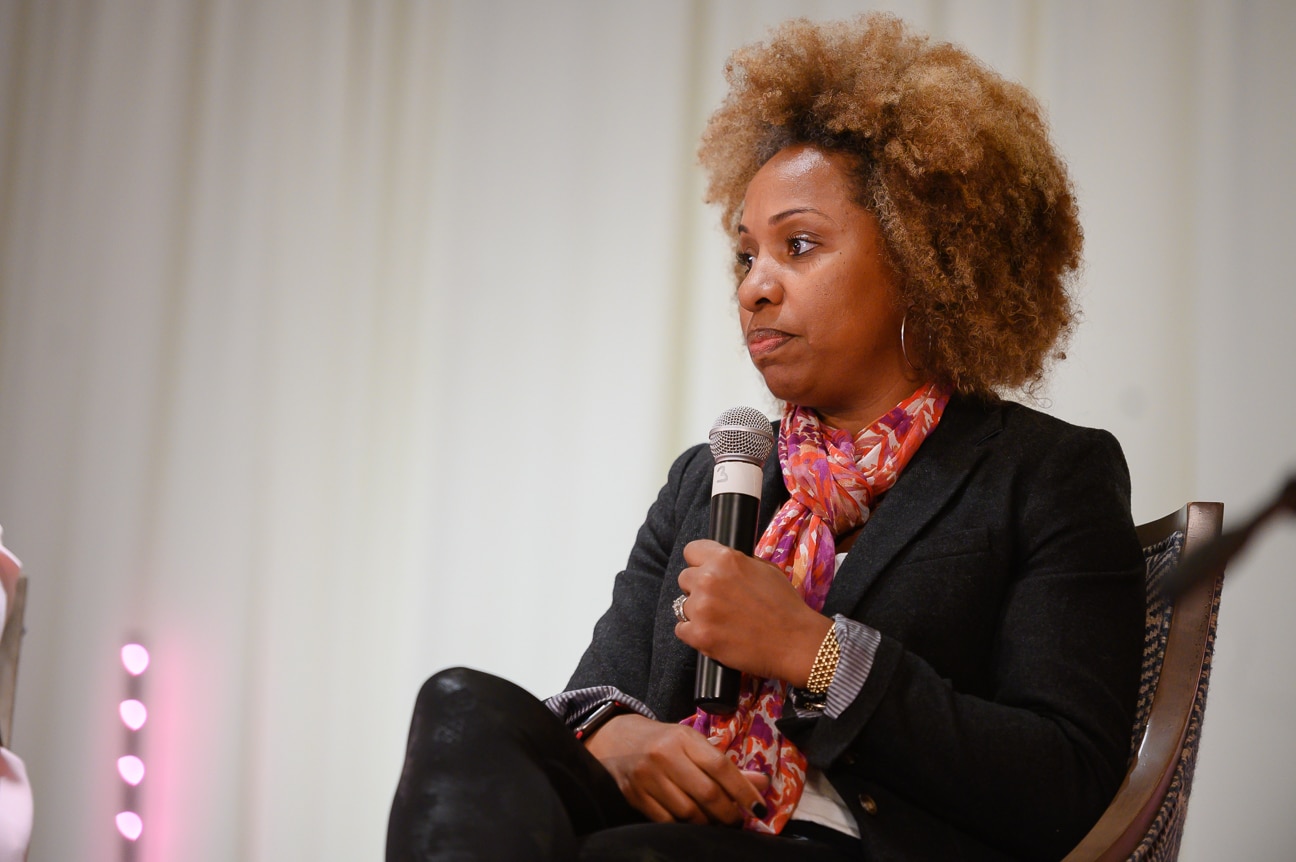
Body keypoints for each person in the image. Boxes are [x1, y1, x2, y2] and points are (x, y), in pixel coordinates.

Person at [387, 13, 1145, 861]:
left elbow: (1066, 782)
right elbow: (596, 695)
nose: (754, 288)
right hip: (664, 834)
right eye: (747, 256)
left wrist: (815, 653)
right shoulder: (712, 476)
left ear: (923, 261)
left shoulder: (1043, 475)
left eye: (800, 245)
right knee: (459, 702)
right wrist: (618, 740)